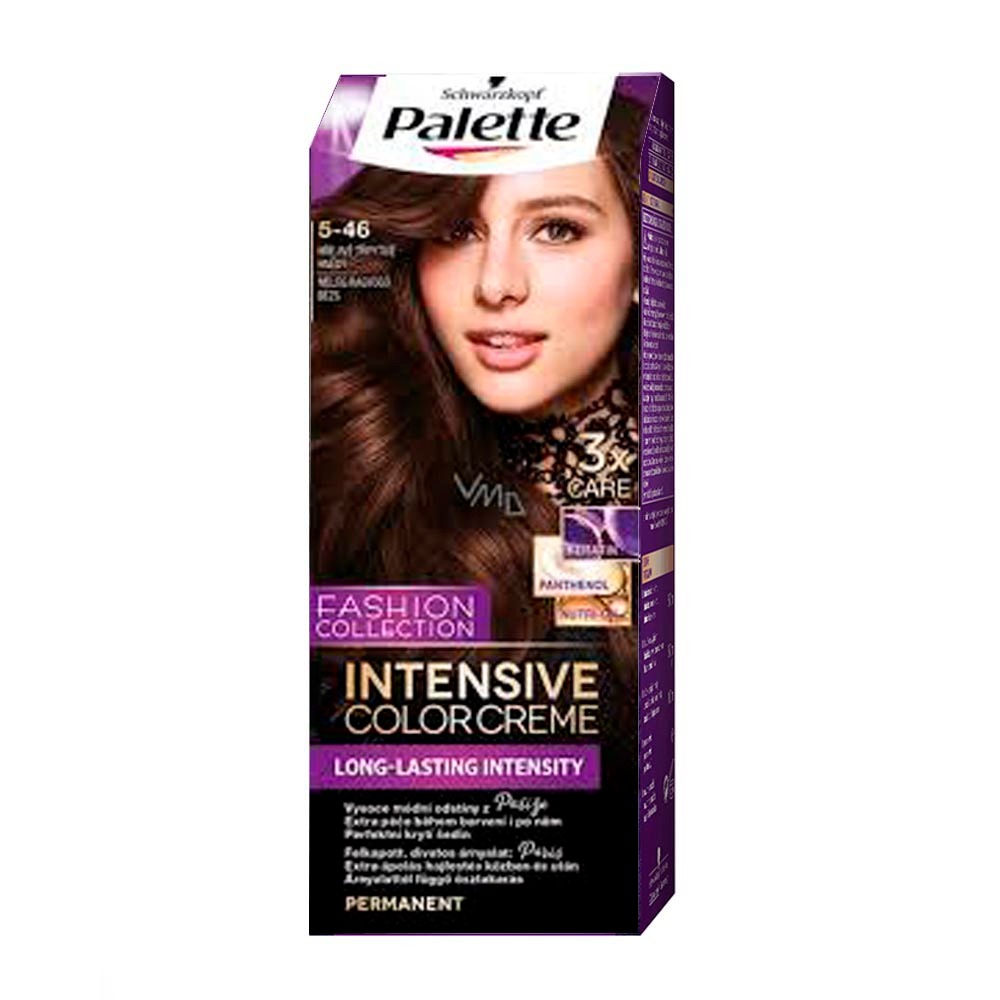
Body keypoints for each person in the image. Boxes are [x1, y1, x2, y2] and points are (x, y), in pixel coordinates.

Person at [311, 93, 648, 675]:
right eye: (458, 231)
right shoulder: (359, 471)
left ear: (647, 261)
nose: (496, 286)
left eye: (557, 230)